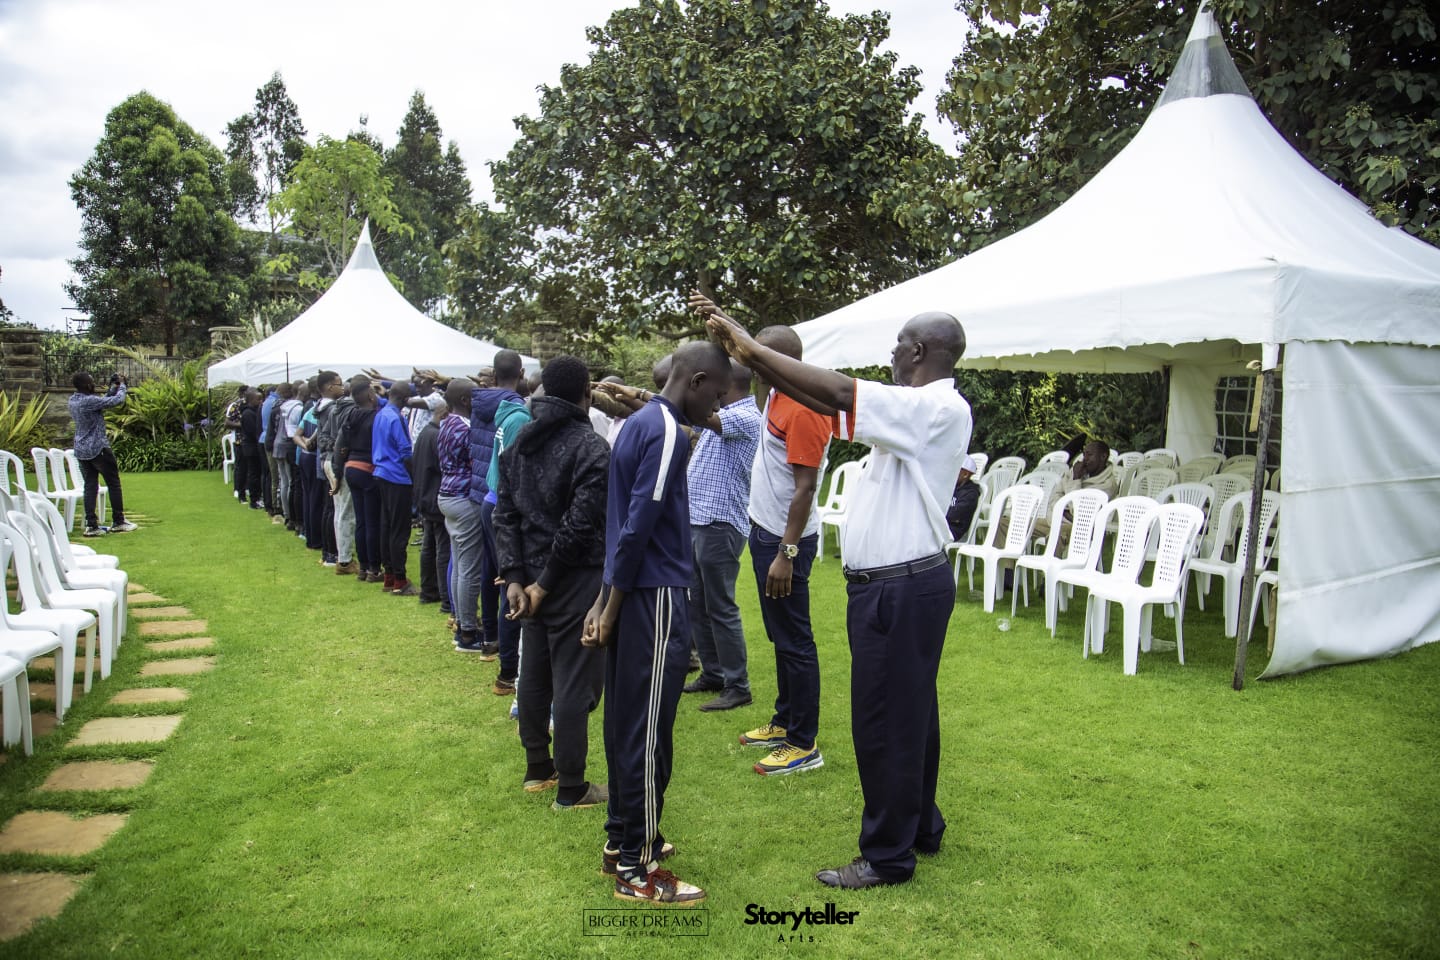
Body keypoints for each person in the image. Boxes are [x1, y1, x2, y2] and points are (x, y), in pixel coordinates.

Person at [694, 291, 972, 890]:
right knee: (912, 716)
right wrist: (752, 354)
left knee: (884, 722)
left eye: (899, 343)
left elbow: (840, 391)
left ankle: (888, 856)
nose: (892, 352)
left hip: (901, 587)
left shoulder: (933, 407)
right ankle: (921, 824)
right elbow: (819, 396)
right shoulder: (918, 409)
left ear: (919, 350)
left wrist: (749, 347)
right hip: (897, 586)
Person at [583, 340, 731, 905]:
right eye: (715, 394)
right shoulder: (669, 432)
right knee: (646, 731)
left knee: (627, 721)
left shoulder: (638, 424)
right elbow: (638, 525)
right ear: (694, 381)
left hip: (634, 595)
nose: (716, 408)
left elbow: (619, 524)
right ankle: (636, 868)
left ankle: (622, 837)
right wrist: (610, 605)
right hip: (655, 598)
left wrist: (603, 601)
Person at [494, 355, 610, 810]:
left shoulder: (521, 440)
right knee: (571, 682)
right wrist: (531, 582)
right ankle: (571, 785)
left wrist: (518, 579)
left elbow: (505, 516)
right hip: (570, 577)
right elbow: (579, 526)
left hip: (534, 579)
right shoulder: (591, 447)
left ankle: (538, 767)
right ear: (585, 394)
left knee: (536, 672)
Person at [739, 325, 830, 776]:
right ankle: (784, 719)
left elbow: (805, 487)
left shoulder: (806, 408)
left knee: (795, 640)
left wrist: (786, 553)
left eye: (758, 355)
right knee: (780, 636)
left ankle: (803, 743)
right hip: (765, 531)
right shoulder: (776, 392)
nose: (749, 360)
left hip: (785, 541)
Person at [678, 360, 761, 711]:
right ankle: (713, 674)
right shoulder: (728, 415)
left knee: (721, 606)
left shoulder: (745, 416)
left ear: (725, 387)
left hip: (720, 523)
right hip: (702, 521)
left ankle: (737, 685)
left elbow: (697, 419)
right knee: (700, 604)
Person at [473, 350, 527, 674]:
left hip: (491, 500)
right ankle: (508, 670)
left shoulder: (500, 409)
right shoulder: (518, 416)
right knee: (511, 585)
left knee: (496, 577)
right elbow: (515, 471)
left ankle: (492, 640)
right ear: (520, 373)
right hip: (501, 505)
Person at [437, 378, 491, 656]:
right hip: (464, 498)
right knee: (469, 568)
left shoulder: (446, 422)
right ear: (465, 401)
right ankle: (468, 633)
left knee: (459, 564)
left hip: (447, 495)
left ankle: (462, 622)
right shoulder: (467, 429)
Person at [67, 371, 136, 536]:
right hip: (98, 448)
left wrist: (113, 387)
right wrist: (123, 386)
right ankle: (119, 521)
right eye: (92, 382)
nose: (94, 384)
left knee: (90, 486)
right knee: (114, 483)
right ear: (87, 385)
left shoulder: (73, 400)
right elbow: (116, 401)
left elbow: (102, 402)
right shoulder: (89, 400)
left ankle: (92, 526)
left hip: (81, 450)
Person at [373, 380, 416, 595]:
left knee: (387, 526)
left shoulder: (381, 414)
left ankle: (390, 575)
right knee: (399, 529)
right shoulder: (395, 417)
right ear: (404, 399)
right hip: (397, 477)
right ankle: (400, 579)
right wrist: (414, 476)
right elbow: (406, 451)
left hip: (381, 473)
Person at [338, 376, 383, 583]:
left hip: (351, 467)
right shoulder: (375, 417)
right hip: (368, 469)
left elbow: (343, 444)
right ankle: (374, 568)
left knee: (361, 521)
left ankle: (364, 568)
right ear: (367, 393)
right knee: (372, 521)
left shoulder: (350, 415)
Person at [411, 397, 451, 610]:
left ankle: (429, 591)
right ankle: (445, 598)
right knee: (442, 548)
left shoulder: (426, 433)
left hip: (425, 497)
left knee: (430, 546)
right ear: (444, 415)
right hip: (435, 498)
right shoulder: (436, 436)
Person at [237, 388, 266, 510]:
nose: (261, 401)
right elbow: (253, 431)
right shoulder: (248, 414)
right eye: (258, 399)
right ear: (250, 400)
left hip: (253, 446)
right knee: (254, 473)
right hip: (251, 448)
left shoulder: (254, 412)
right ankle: (254, 500)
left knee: (256, 472)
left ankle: (257, 497)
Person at [946, 456, 982, 541]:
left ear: (965, 474)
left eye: (955, 469)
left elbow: (952, 514)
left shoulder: (970, 494)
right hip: (943, 525)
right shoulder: (952, 486)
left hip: (952, 531)